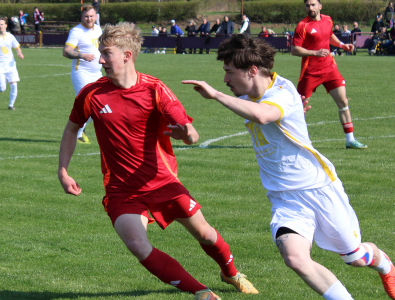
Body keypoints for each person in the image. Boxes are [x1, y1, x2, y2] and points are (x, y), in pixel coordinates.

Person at [183, 33, 395, 300]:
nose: (225, 80)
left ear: (252, 71)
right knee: (295, 258)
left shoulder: (282, 91)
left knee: (355, 257)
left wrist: (216, 95)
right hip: (285, 199)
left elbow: (264, 115)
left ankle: (383, 263)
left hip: (318, 189)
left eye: (229, 72)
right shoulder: (253, 96)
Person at [57, 21, 259, 300]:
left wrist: (185, 134)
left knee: (206, 235)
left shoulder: (155, 89)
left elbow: (193, 135)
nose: (101, 60)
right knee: (138, 245)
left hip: (162, 182)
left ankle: (231, 273)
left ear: (127, 56)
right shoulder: (92, 93)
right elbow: (71, 128)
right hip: (122, 190)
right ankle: (201, 293)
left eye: (106, 53)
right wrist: (63, 170)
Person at [292, 0, 367, 149]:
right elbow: (294, 49)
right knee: (298, 108)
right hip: (310, 72)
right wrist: (315, 52)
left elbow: (329, 35)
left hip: (330, 69)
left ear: (320, 6)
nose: (310, 8)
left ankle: (350, 140)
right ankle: (290, 139)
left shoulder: (328, 20)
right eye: (307, 5)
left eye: (313, 5)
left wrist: (341, 45)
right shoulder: (303, 26)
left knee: (343, 102)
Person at [63, 5, 102, 144]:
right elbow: (66, 51)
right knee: (87, 104)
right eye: (86, 16)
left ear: (95, 16)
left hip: (97, 73)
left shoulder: (98, 29)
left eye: (91, 16)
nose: (89, 19)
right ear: (82, 17)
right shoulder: (76, 31)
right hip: (82, 72)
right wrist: (82, 55)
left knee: (100, 105)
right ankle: (78, 133)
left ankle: (80, 127)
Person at [0, 18, 24, 110]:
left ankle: (11, 105)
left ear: (6, 26)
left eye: (2, 24)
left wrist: (19, 53)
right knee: (2, 88)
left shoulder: (10, 36)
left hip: (10, 65)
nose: (0, 26)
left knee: (14, 85)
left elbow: (17, 46)